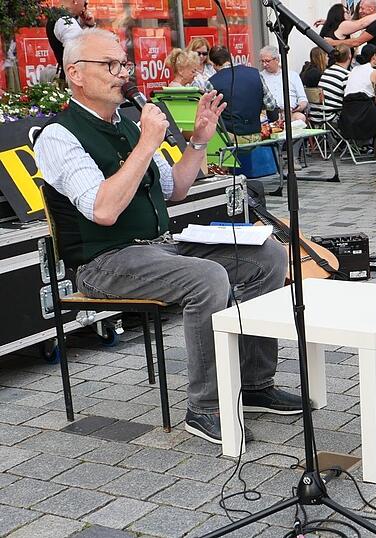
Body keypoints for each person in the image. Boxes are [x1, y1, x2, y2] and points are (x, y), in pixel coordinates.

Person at [36, 29, 299, 444]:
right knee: (208, 277)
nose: (122, 73)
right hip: (103, 261)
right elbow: (102, 211)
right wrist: (146, 143)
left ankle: (253, 382)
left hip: (157, 247)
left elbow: (174, 189)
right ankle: (205, 407)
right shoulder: (60, 135)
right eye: (110, 65)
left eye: (123, 64)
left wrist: (198, 140)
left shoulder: (128, 123)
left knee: (266, 254)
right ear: (76, 75)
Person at [208, 45, 279, 143]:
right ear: (230, 58)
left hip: (230, 140)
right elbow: (271, 105)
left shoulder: (212, 82)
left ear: (213, 64)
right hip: (256, 135)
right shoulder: (255, 73)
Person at [336, 0, 376, 95]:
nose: (359, 11)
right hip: (374, 62)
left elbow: (357, 42)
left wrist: (333, 42)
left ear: (371, 9)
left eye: (362, 8)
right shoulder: (373, 22)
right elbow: (355, 24)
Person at [47, 0, 96, 82]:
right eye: (85, 3)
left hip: (72, 76)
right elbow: (81, 52)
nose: (84, 9)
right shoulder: (66, 21)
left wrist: (89, 26)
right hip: (76, 79)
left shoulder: (57, 16)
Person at [259, 45, 308, 123]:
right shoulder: (260, 76)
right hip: (269, 116)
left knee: (300, 117)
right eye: (262, 61)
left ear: (277, 60)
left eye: (267, 61)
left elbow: (303, 99)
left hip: (291, 113)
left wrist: (298, 107)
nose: (264, 64)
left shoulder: (292, 75)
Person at [318, 45, 352, 111]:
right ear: (350, 57)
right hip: (331, 115)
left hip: (319, 114)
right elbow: (351, 100)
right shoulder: (346, 75)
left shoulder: (327, 71)